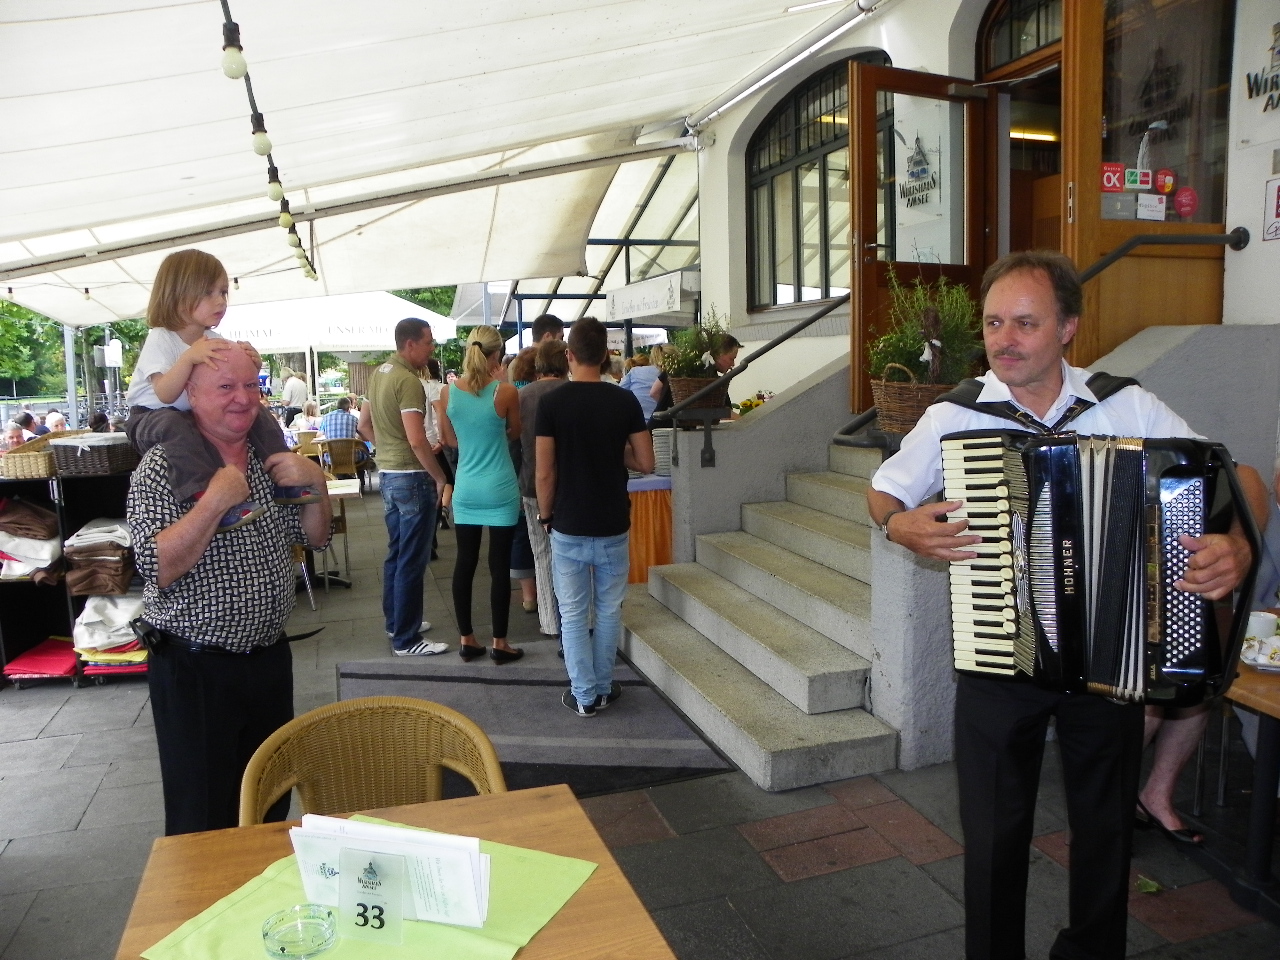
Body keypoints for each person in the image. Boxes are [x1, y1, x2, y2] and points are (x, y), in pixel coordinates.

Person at [864, 250, 1258, 960]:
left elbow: (1233, 475)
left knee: (1105, 830)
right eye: (993, 323)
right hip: (997, 654)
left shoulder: (1124, 404)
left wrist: (1237, 544)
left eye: (1025, 323)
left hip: (1107, 660)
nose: (1003, 339)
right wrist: (897, 523)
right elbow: (885, 489)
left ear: (1068, 327)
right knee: (993, 834)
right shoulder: (956, 413)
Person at [127, 343, 332, 835]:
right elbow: (155, 566)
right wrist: (213, 501)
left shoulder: (268, 458)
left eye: (249, 386)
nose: (242, 398)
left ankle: (261, 881)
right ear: (192, 394)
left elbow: (314, 537)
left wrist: (317, 486)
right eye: (225, 387)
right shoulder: (163, 467)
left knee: (269, 802)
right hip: (195, 668)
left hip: (268, 659)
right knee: (202, 816)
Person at [122, 249, 303, 533]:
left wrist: (252, 364)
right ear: (177, 294)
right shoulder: (161, 338)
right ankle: (207, 497)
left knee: (258, 413)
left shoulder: (213, 339)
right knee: (176, 426)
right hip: (149, 416)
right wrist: (188, 358)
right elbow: (165, 394)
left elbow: (229, 379)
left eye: (223, 292)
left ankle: (283, 475)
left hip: (189, 414)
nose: (220, 301)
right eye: (208, 292)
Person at [536, 317, 654, 717]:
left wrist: (546, 515)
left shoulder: (552, 403)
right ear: (605, 355)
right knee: (608, 611)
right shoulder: (625, 401)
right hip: (611, 521)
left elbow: (544, 472)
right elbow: (646, 462)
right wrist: (612, 447)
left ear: (569, 355)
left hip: (568, 521)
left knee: (572, 615)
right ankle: (603, 688)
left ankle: (584, 695)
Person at [358, 318, 451, 656]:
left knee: (397, 553)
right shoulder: (408, 381)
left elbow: (363, 425)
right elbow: (416, 439)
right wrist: (439, 476)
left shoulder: (379, 374)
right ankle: (407, 639)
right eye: (428, 342)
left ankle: (397, 623)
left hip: (389, 474)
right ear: (410, 344)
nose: (431, 348)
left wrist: (385, 450)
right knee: (412, 558)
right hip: (411, 476)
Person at [438, 325, 524, 664]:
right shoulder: (505, 392)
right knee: (499, 566)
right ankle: (500, 643)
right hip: (500, 486)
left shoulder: (448, 393)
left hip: (467, 488)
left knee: (465, 563)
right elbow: (515, 432)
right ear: (496, 355)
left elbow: (449, 440)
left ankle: (467, 639)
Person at [519, 339, 569, 639]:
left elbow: (515, 442)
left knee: (541, 554)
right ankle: (576, 618)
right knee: (573, 556)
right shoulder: (573, 392)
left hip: (531, 483)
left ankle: (550, 621)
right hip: (571, 485)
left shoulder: (523, 396)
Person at [620, 352, 660, 420]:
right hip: (659, 418)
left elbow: (620, 392)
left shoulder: (633, 372)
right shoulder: (659, 372)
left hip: (637, 419)